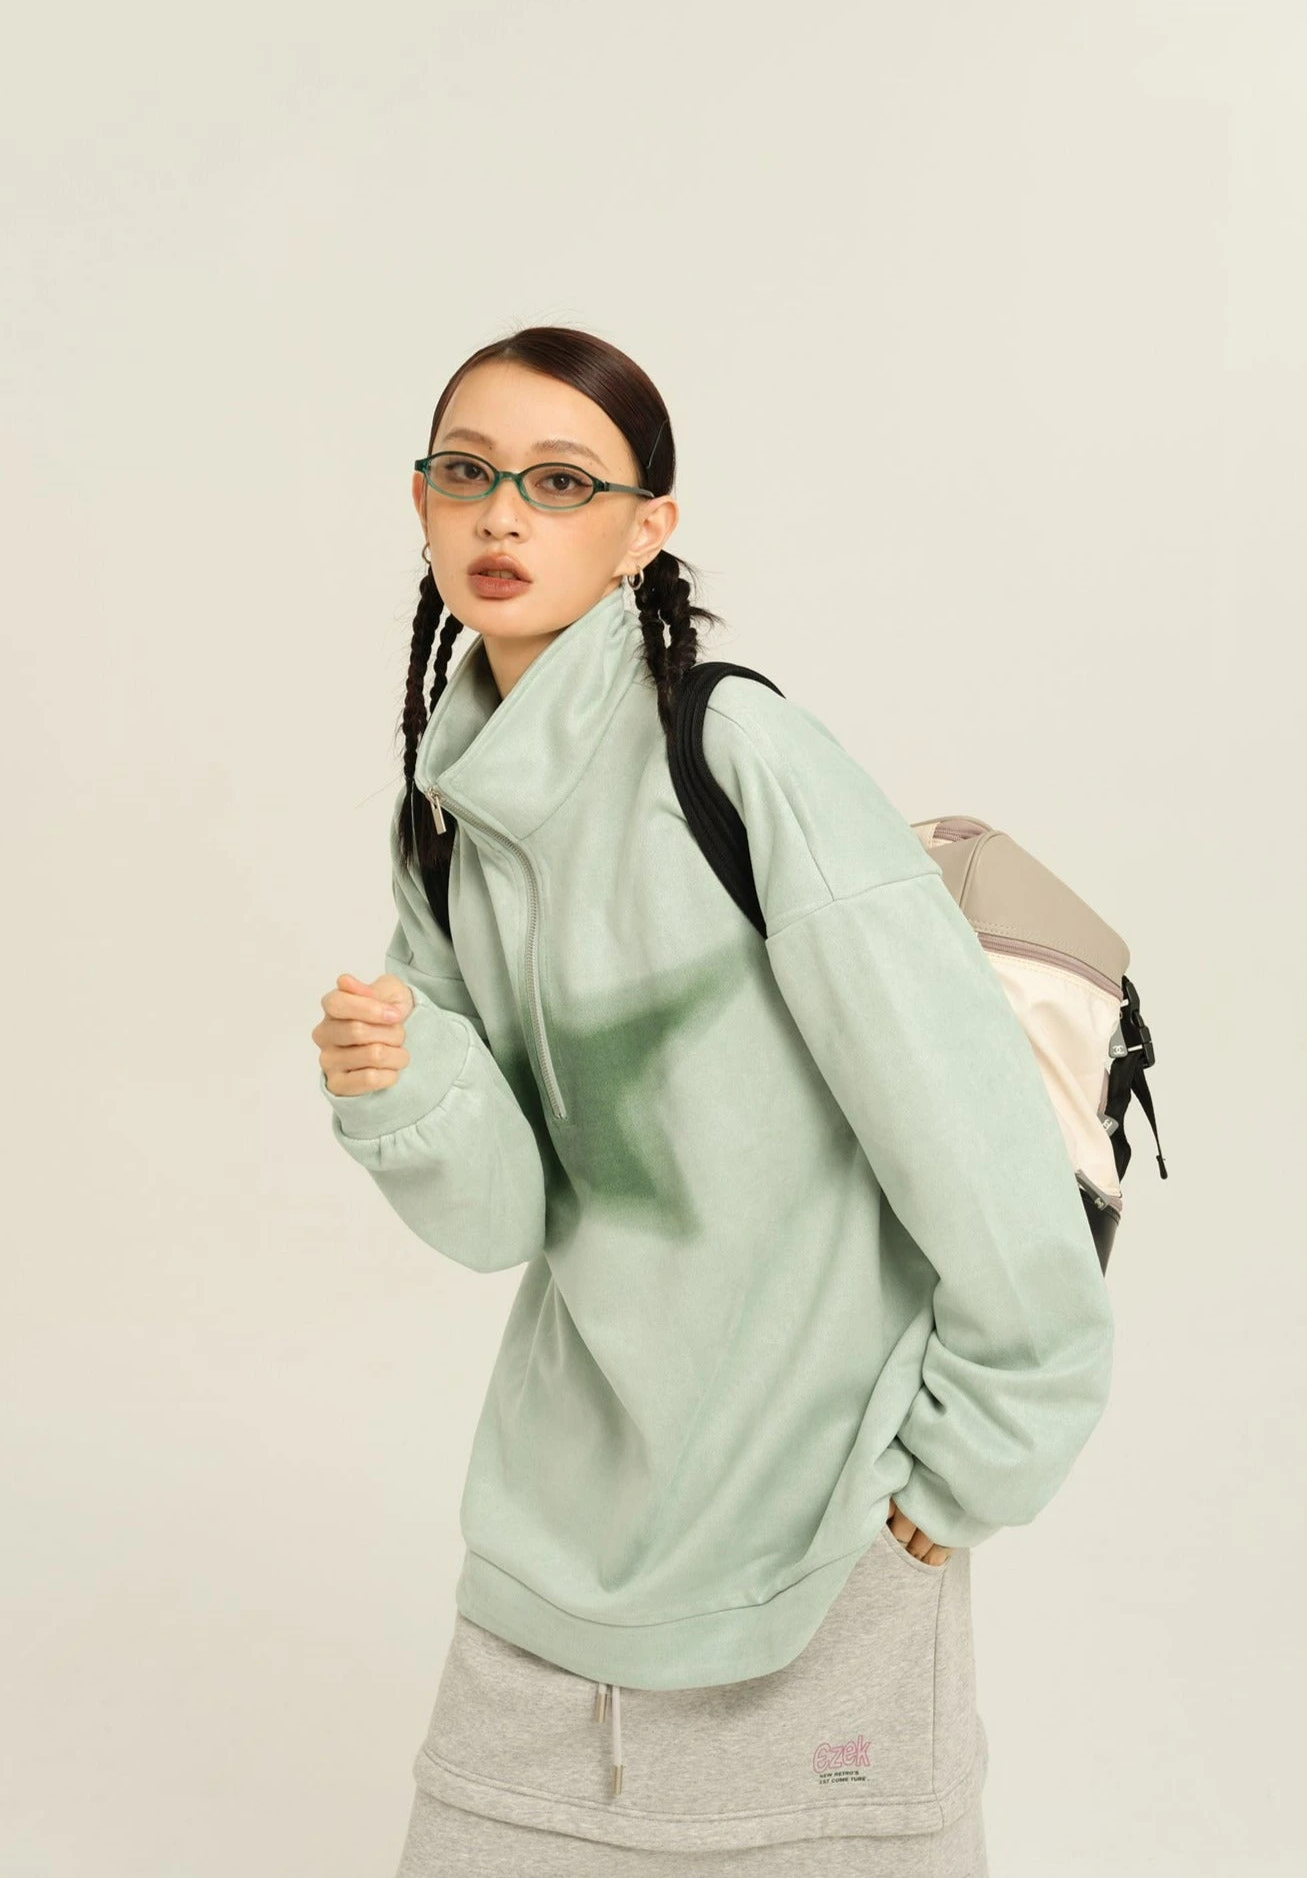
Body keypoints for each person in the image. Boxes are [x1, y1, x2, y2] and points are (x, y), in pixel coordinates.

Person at [313, 324, 1115, 1875]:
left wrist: (973, 1462)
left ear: (645, 528)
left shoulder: (736, 755)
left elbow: (968, 1126)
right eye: (467, 473)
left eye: (560, 482)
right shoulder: (448, 821)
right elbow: (502, 1219)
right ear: (420, 500)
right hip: (563, 1529)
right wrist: (403, 1086)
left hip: (824, 1529)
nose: (501, 515)